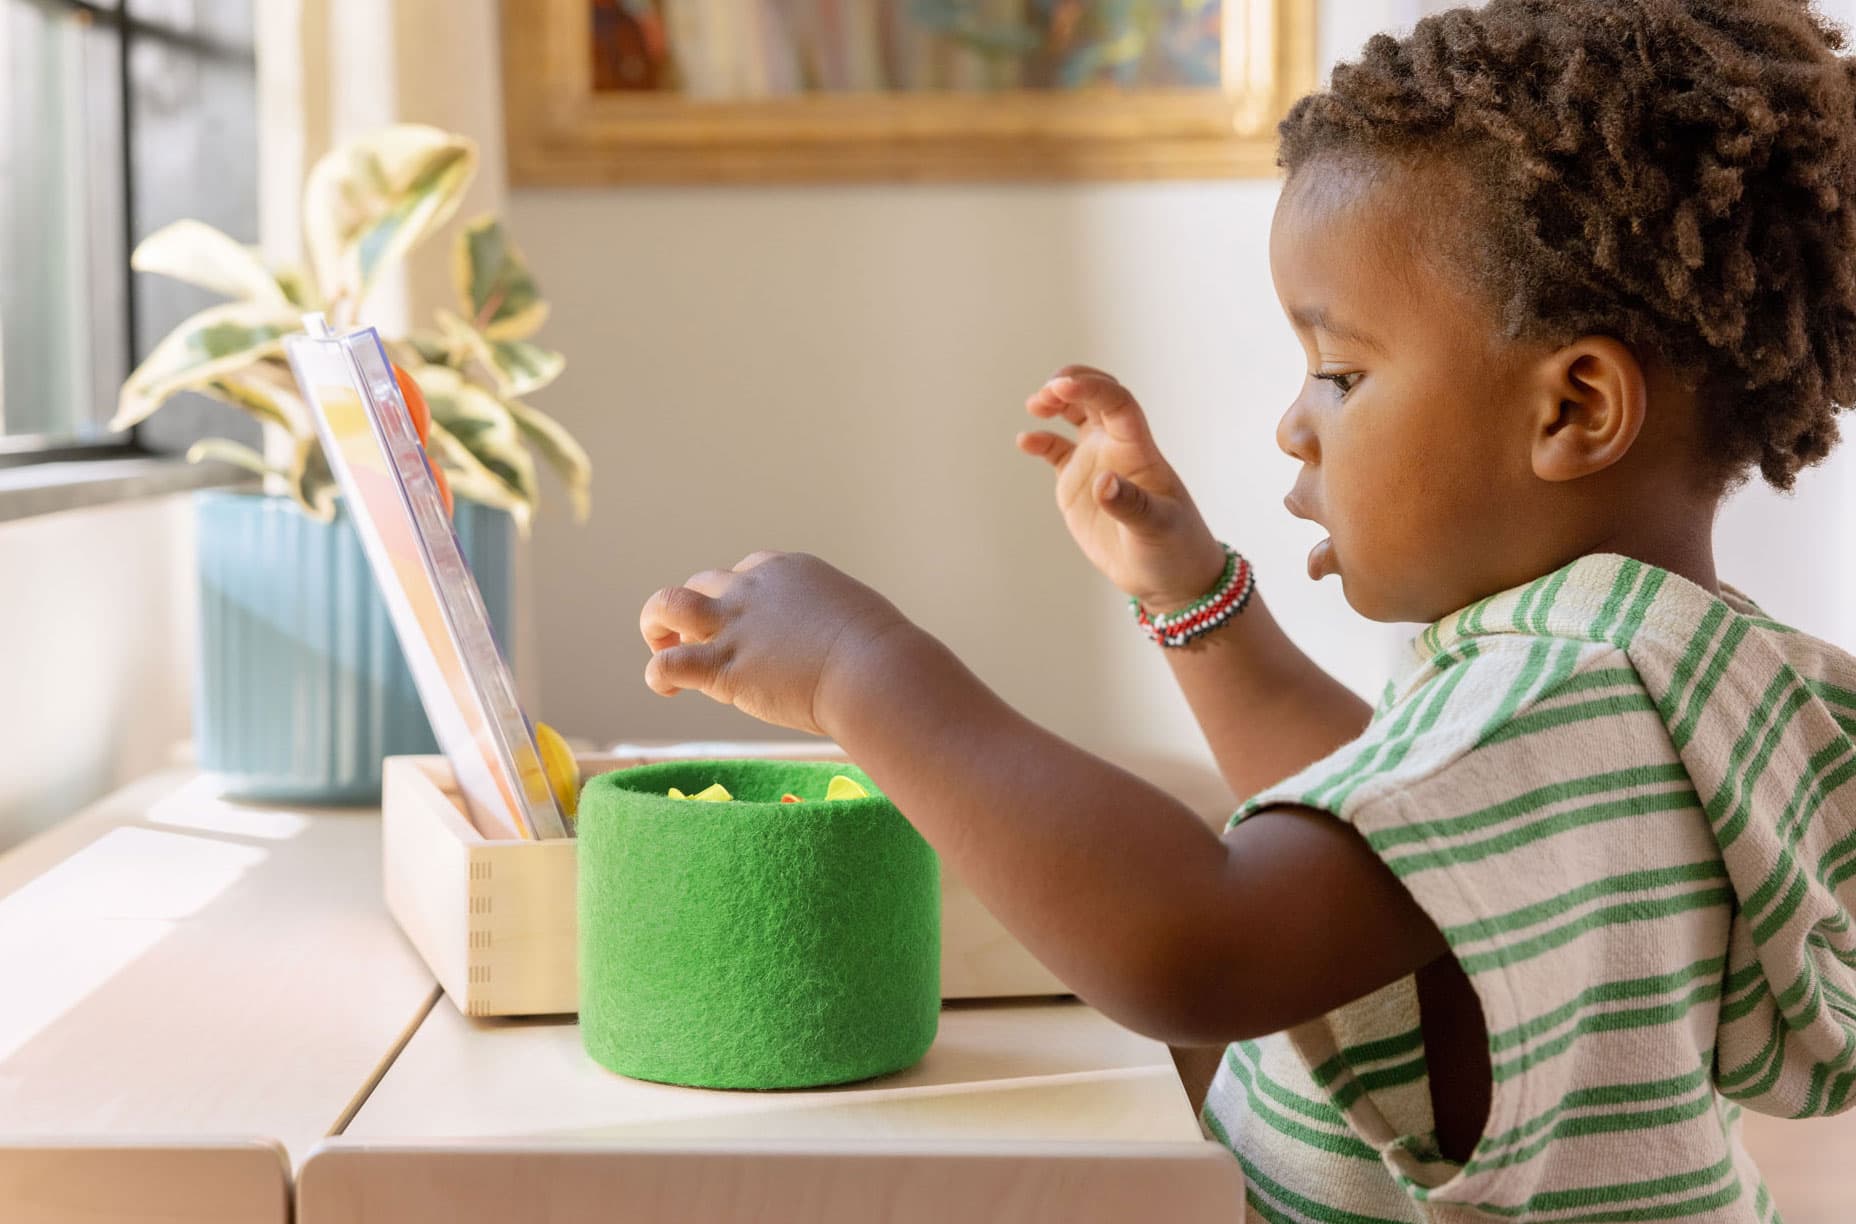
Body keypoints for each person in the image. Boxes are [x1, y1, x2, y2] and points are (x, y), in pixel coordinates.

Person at [636, 2, 1856, 1217]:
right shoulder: (1666, 675)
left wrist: (860, 668)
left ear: (1572, 410)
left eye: (1340, 373)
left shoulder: (1555, 697)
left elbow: (1201, 943)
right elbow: (1387, 831)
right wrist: (1193, 599)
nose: (1293, 423)